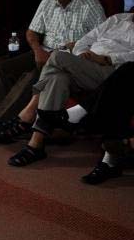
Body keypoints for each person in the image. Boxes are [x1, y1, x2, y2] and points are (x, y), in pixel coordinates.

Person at [0, 0, 103, 143]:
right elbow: (32, 32)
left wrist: (74, 47)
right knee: (2, 69)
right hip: (43, 51)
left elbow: (102, 40)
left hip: (67, 60)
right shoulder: (48, 0)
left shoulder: (90, 5)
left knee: (32, 76)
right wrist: (38, 50)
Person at [7, 12, 134, 168]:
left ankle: (31, 111)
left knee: (57, 56)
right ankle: (35, 145)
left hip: (112, 73)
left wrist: (107, 59)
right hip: (86, 62)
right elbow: (85, 40)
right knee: (57, 79)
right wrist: (82, 56)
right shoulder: (118, 18)